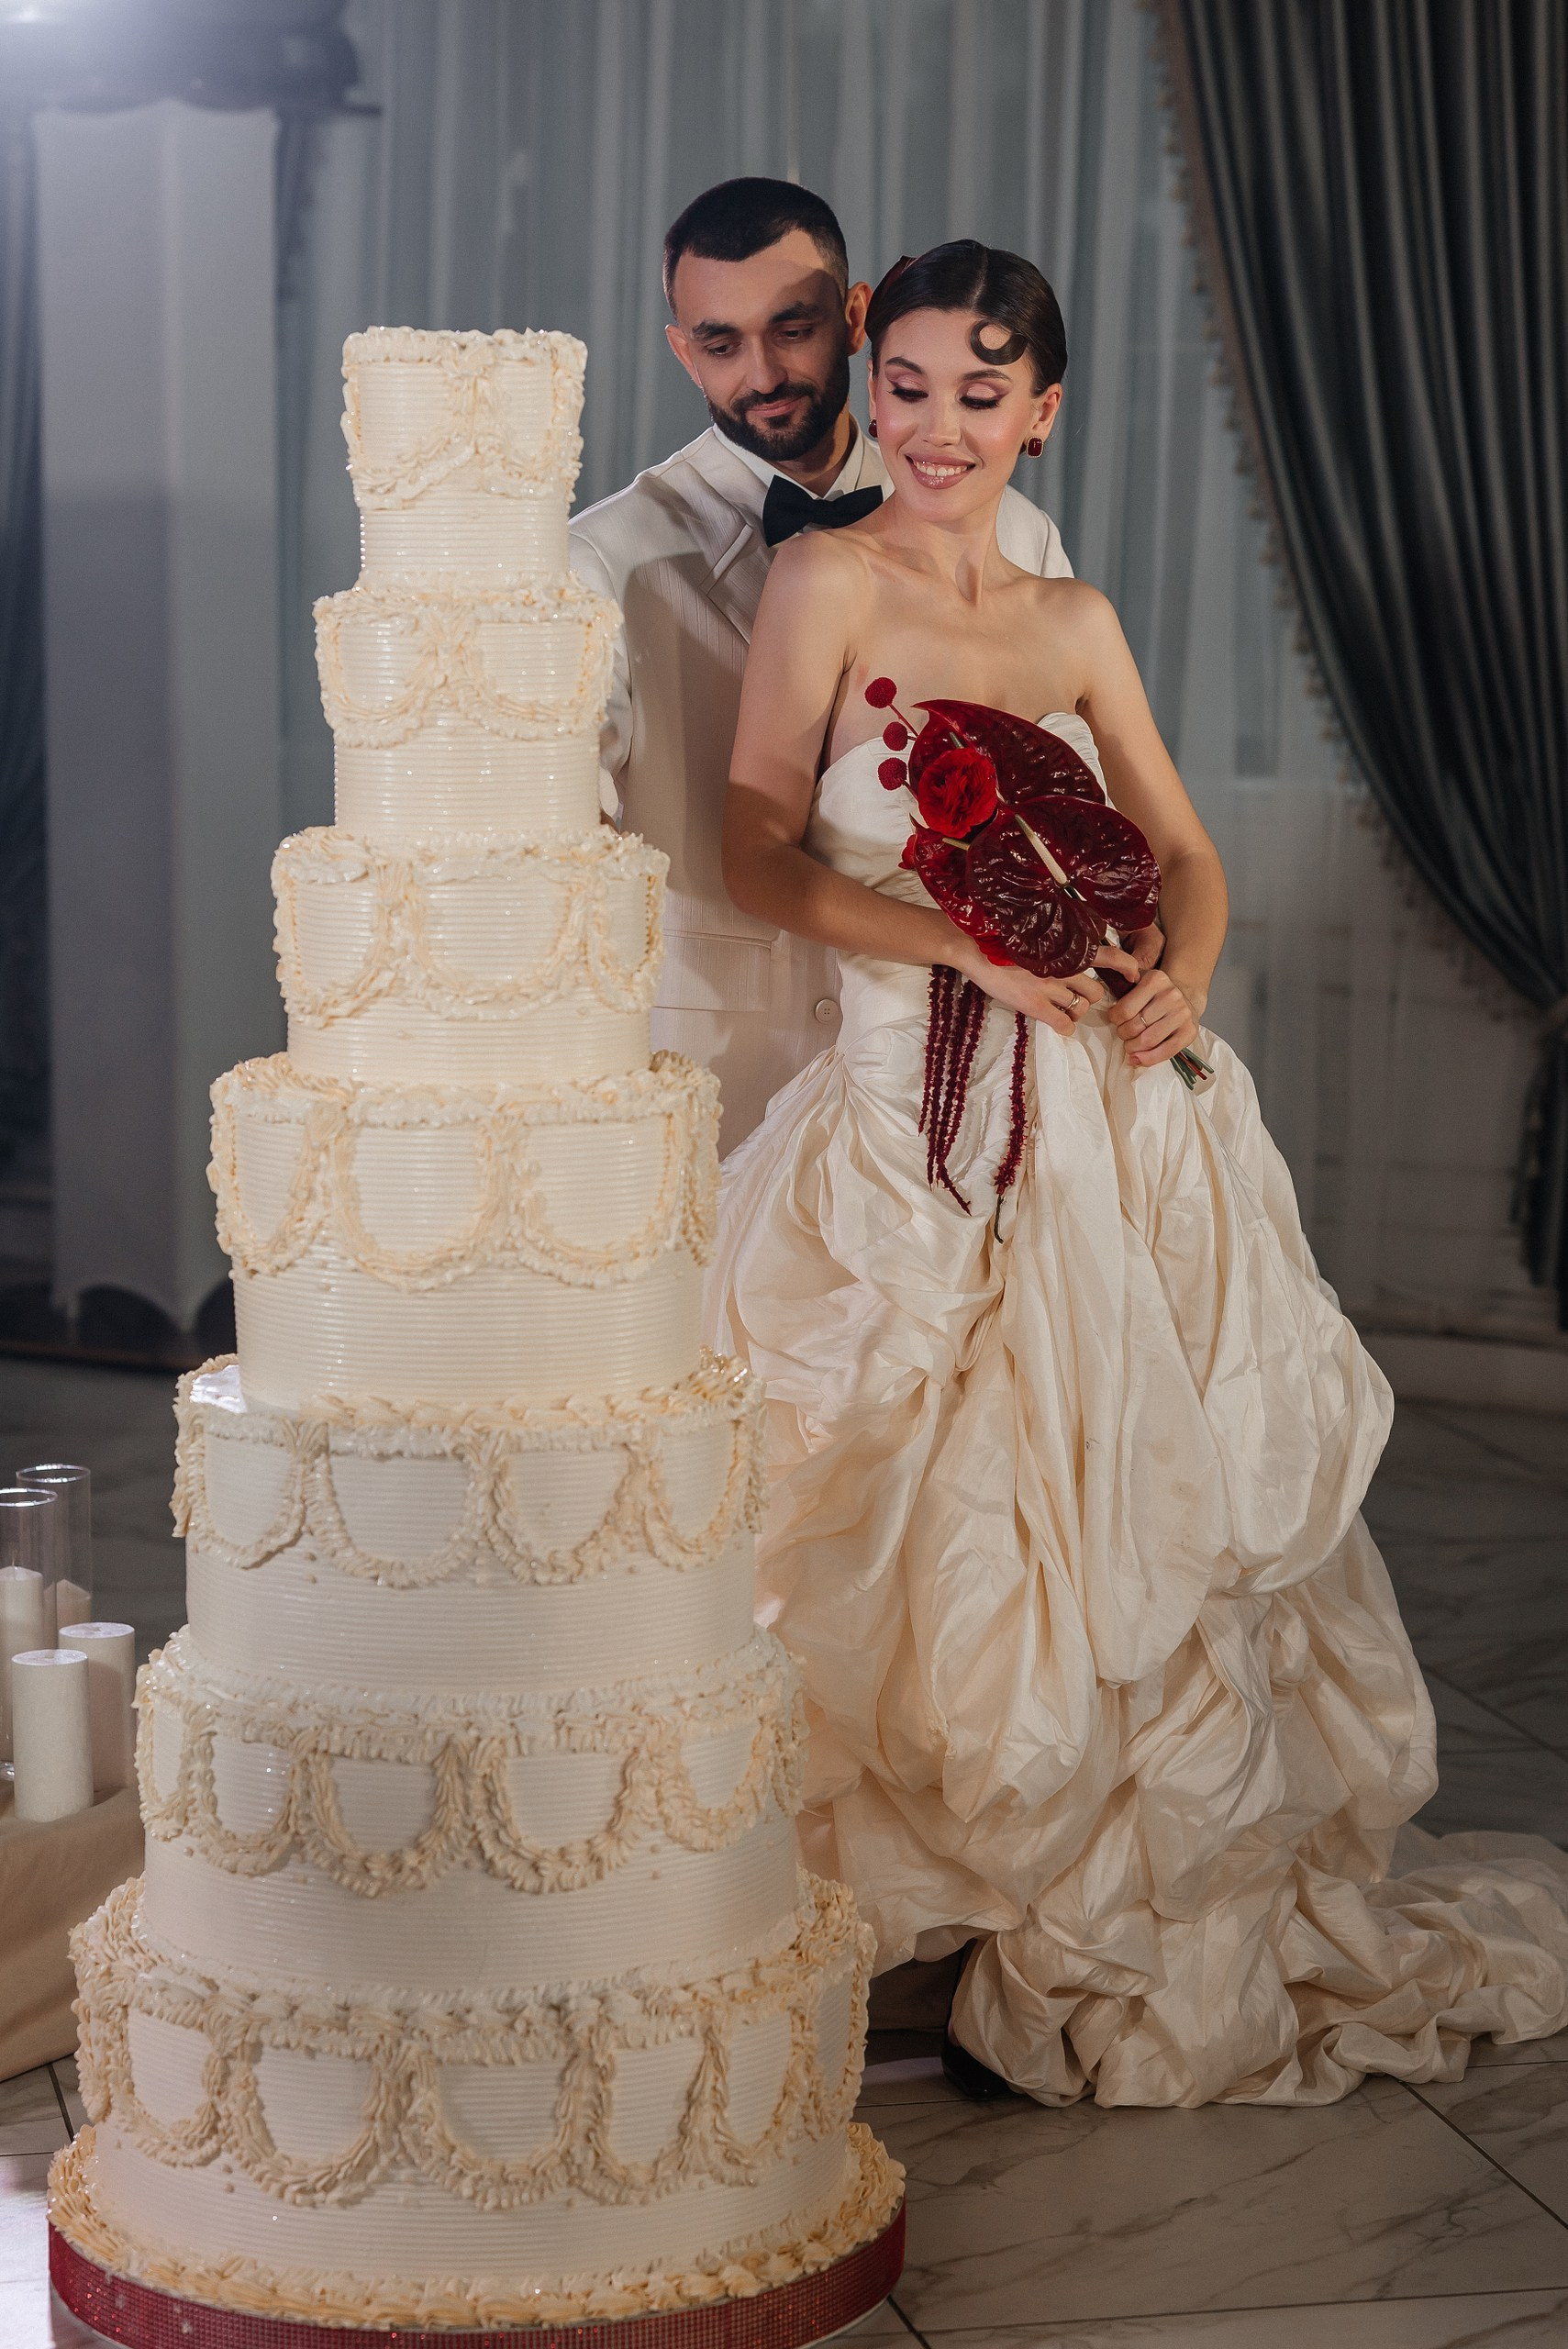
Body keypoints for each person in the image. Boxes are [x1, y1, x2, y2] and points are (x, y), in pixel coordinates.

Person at [707, 238, 1568, 2106]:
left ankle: (1066, 1921)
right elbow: (753, 850)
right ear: (874, 380)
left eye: (978, 392)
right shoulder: (823, 578)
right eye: (907, 386)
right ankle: (880, 1929)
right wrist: (958, 947)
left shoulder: (1072, 617)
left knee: (1127, 1501)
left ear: (1040, 408)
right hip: (905, 1126)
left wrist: (1181, 969)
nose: (936, 427)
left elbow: (1181, 848)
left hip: (1114, 1106)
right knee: (885, 1503)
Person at [569, 179, 1075, 1152]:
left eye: (792, 330)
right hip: (716, 1078)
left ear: (852, 319)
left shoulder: (1015, 533)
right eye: (721, 344)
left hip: (948, 1070)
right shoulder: (601, 559)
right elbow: (563, 854)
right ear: (681, 350)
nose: (763, 373)